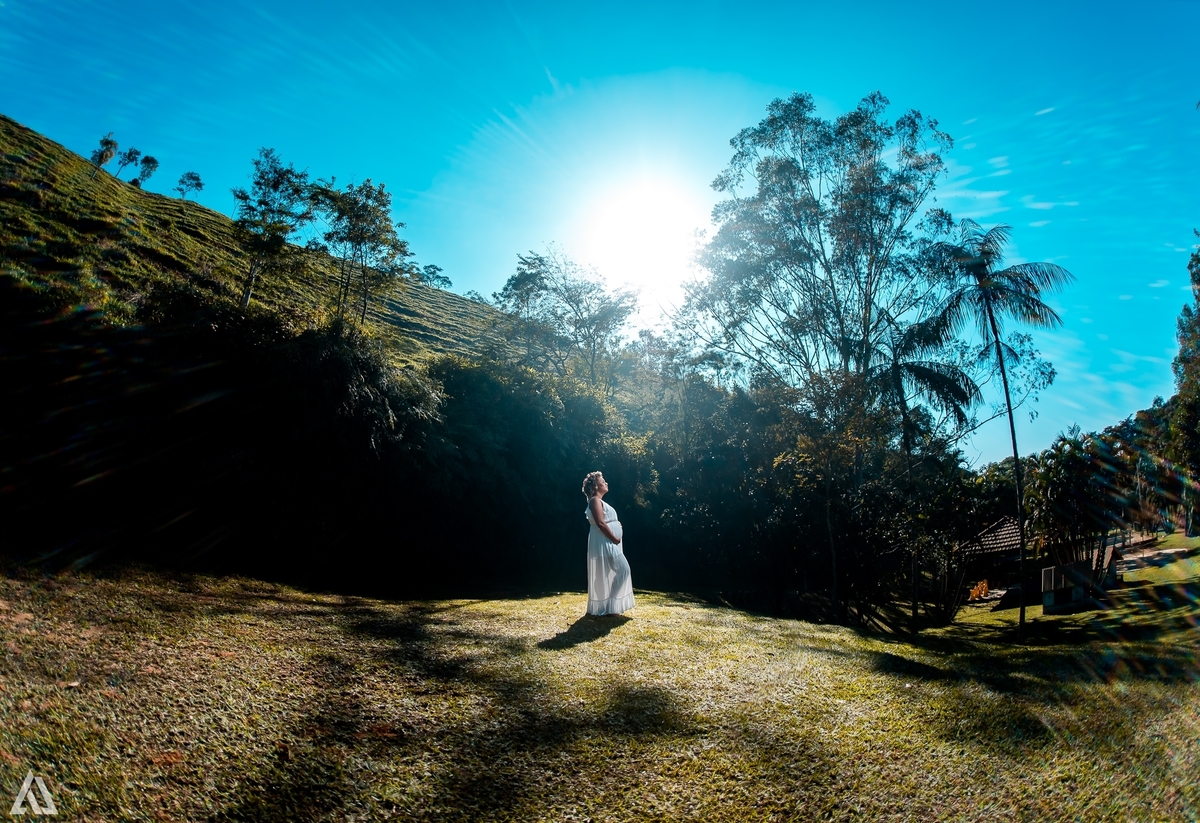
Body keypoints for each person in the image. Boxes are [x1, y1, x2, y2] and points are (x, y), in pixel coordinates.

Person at [582, 470, 635, 616]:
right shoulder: (594, 500)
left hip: (607, 542)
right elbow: (600, 523)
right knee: (623, 569)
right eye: (602, 480)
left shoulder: (600, 501)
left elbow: (605, 521)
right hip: (605, 543)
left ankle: (605, 607)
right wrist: (614, 538)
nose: (605, 482)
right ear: (595, 486)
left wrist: (616, 525)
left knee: (606, 575)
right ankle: (610, 607)